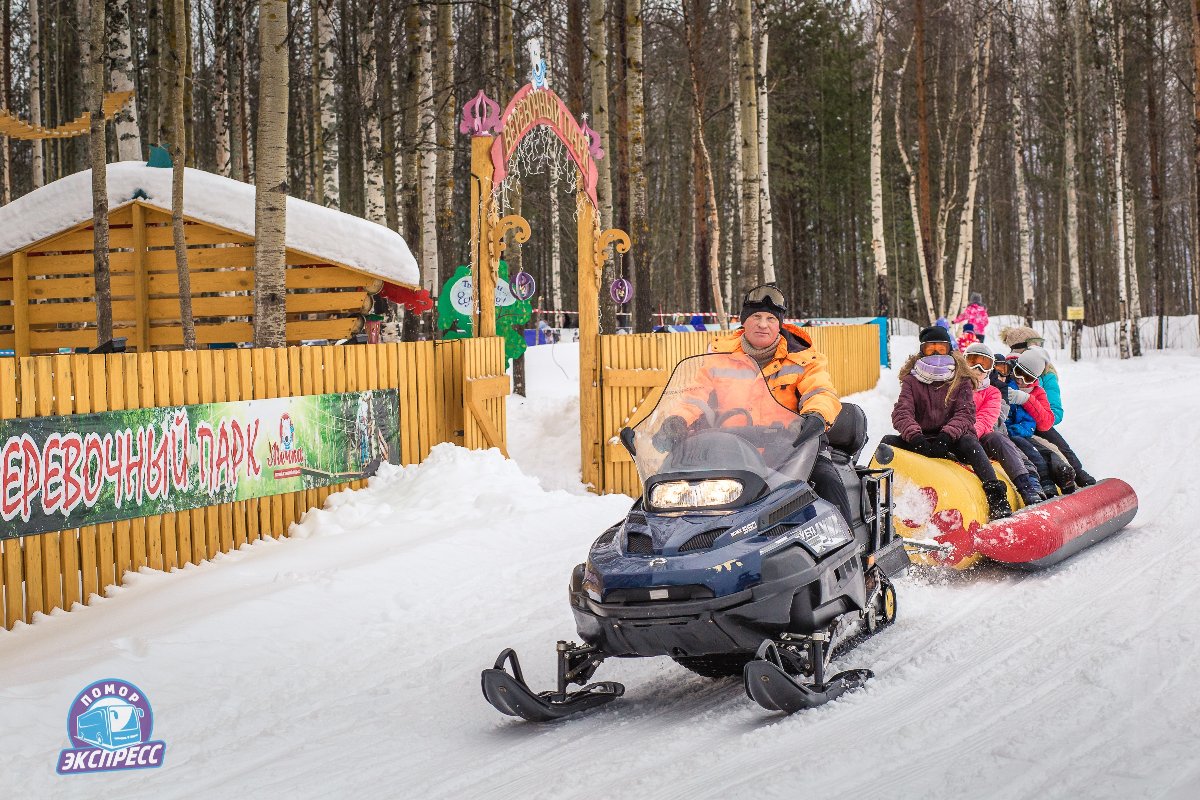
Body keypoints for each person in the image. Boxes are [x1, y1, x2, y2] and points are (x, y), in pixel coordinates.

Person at [653, 285, 852, 524]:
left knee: (827, 483)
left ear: (780, 324)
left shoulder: (803, 358)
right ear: (744, 321)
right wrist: (677, 421)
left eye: (770, 318)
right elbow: (696, 397)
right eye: (756, 317)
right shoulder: (719, 356)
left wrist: (816, 415)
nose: (763, 324)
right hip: (729, 453)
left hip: (793, 450)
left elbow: (820, 390)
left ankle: (846, 553)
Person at [882, 326, 1012, 520]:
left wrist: (947, 435)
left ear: (949, 350)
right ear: (922, 351)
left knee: (971, 444)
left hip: (954, 438)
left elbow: (965, 413)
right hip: (922, 438)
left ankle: (996, 496)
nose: (935, 353)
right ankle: (877, 496)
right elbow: (902, 412)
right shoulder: (912, 380)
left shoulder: (961, 379)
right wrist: (915, 437)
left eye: (940, 349)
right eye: (930, 349)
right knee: (887, 443)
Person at [963, 343, 1045, 505]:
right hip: (957, 436)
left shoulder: (993, 392)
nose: (977, 369)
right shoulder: (954, 388)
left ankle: (1028, 486)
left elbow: (987, 419)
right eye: (972, 362)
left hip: (981, 437)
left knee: (1005, 442)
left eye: (984, 364)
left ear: (989, 369)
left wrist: (968, 434)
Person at [1002, 350, 1078, 495]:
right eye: (1018, 372)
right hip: (1010, 433)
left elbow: (1046, 422)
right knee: (1033, 451)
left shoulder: (1037, 392)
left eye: (1027, 378)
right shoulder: (1007, 383)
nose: (1021, 380)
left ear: (1035, 378)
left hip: (1025, 433)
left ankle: (1064, 475)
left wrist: (1027, 400)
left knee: (1047, 450)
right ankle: (1046, 481)